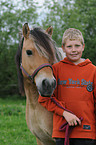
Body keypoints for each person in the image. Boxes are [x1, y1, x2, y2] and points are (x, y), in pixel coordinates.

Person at [38, 28, 96, 145]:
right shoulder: (55, 70)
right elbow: (44, 99)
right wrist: (65, 113)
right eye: (69, 47)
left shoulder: (93, 71)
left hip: (87, 133)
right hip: (62, 132)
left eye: (77, 46)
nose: (73, 50)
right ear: (63, 48)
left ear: (83, 47)